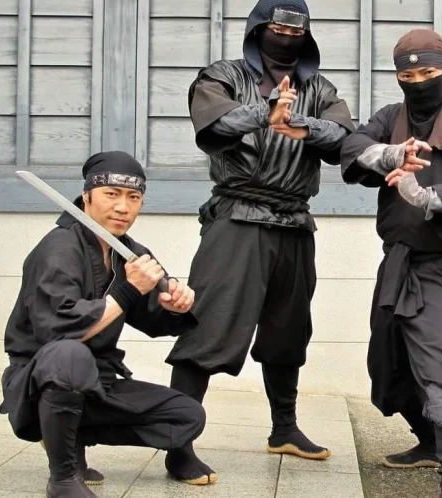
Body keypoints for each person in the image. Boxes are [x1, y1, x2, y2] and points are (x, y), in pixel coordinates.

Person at [164, 0, 354, 467]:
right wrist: (264, 112)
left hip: (295, 222)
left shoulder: (319, 87)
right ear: (257, 29)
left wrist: (298, 121)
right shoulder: (223, 75)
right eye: (277, 28)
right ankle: (177, 443)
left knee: (289, 331)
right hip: (238, 217)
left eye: (296, 31)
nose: (286, 37)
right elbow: (215, 122)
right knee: (207, 325)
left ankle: (284, 428)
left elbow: (343, 137)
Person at [341, 29, 442, 498]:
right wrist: (390, 153)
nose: (418, 82)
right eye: (407, 76)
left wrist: (429, 196)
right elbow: (352, 147)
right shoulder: (391, 118)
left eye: (429, 72)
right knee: (389, 368)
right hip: (397, 264)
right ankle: (430, 442)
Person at [0, 151, 213, 498]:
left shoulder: (131, 252)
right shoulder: (58, 248)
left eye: (133, 197)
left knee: (187, 416)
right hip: (38, 380)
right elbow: (58, 331)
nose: (122, 207)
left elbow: (151, 319)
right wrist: (129, 291)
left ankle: (71, 436)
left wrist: (174, 305)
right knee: (69, 356)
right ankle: (64, 476)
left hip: (98, 382)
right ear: (86, 196)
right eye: (111, 194)